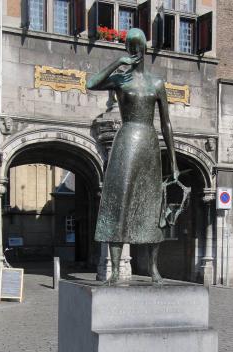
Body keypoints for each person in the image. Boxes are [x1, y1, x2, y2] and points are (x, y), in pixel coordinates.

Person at [87, 28, 179, 284]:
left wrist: (172, 160)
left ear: (145, 50)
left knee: (152, 205)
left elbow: (166, 123)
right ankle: (115, 270)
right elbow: (91, 83)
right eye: (131, 47)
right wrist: (117, 63)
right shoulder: (120, 80)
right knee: (120, 202)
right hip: (126, 140)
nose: (135, 51)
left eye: (138, 46)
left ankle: (153, 268)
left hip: (149, 143)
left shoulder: (157, 84)